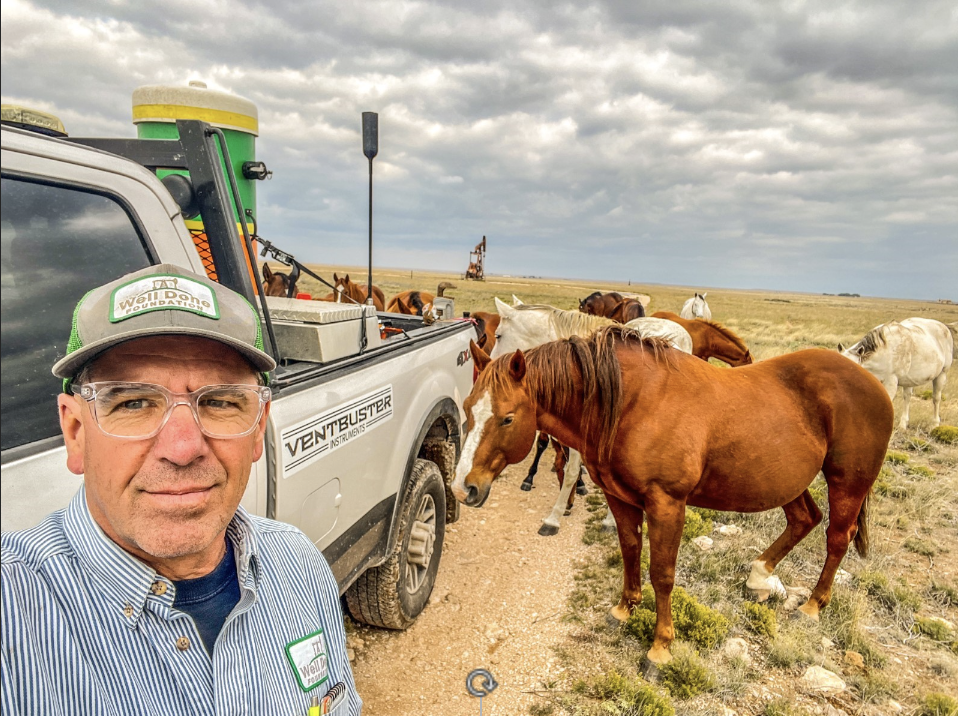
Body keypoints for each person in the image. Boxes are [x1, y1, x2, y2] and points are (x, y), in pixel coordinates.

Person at [1, 264, 362, 715]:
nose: (184, 448)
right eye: (133, 402)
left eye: (220, 402)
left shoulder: (299, 564)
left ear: (257, 431)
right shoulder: (13, 609)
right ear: (75, 431)